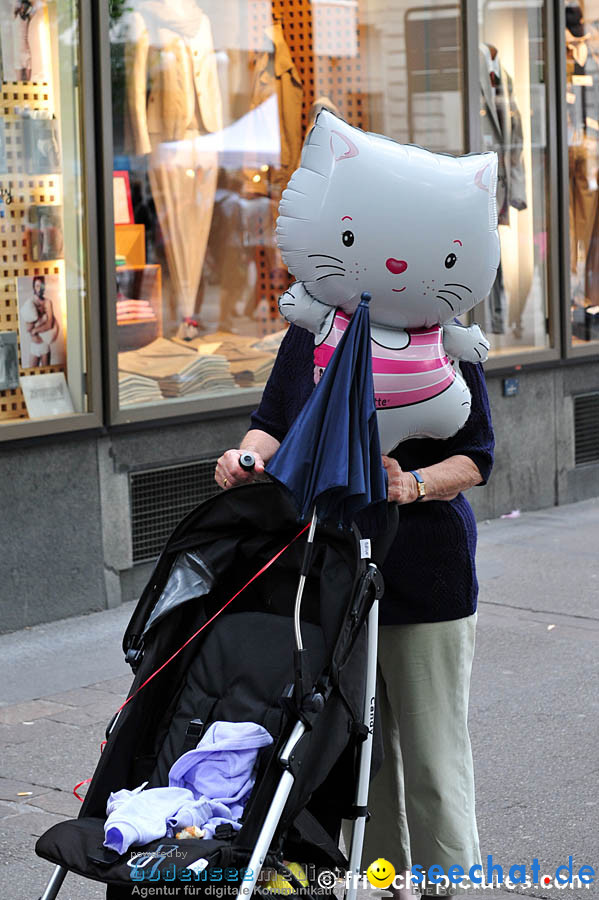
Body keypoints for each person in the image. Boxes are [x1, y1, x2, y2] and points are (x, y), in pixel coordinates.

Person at [215, 322, 494, 899]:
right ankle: (385, 882)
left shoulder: (436, 318)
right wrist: (247, 457)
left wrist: (411, 484)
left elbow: (477, 456)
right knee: (360, 755)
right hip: (334, 574)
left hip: (426, 576)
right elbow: (272, 422)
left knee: (431, 757)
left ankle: (447, 887)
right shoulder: (315, 326)